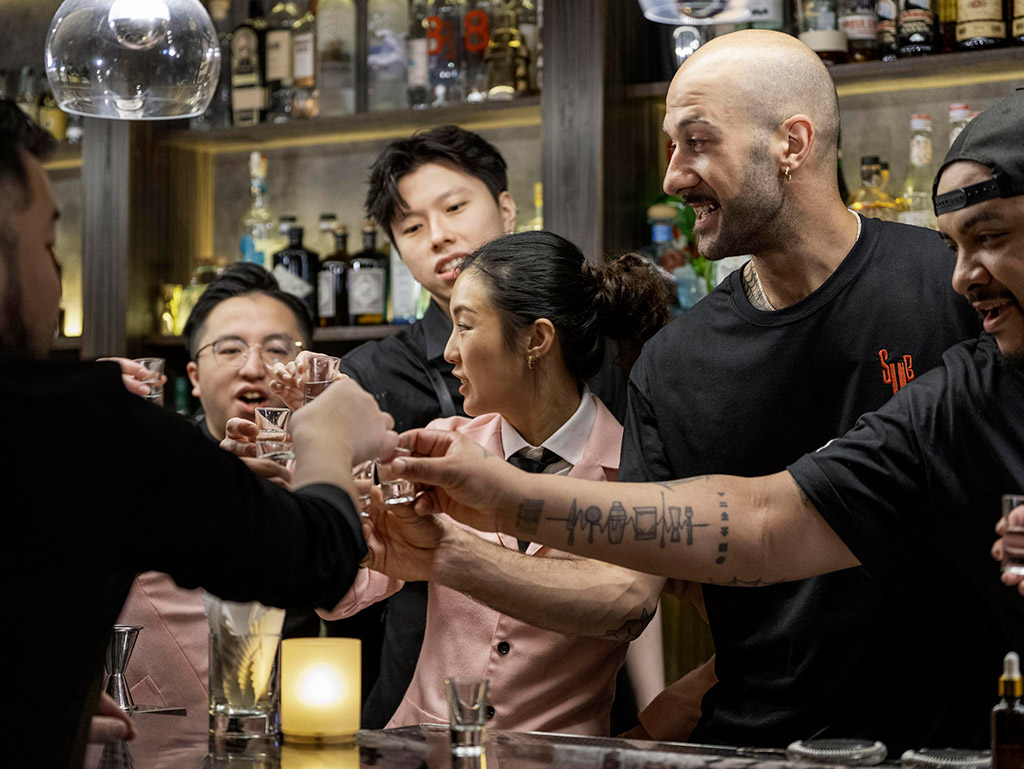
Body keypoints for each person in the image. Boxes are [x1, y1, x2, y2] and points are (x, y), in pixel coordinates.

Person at [387, 86, 1024, 748]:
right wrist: (495, 504)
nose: (964, 276)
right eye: (957, 246)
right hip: (758, 743)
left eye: (990, 237)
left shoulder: (955, 322)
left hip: (958, 739)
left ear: (793, 143)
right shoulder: (950, 390)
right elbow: (758, 523)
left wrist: (497, 508)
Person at [617, 29, 991, 751]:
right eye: (671, 147)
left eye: (697, 142)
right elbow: (651, 582)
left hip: (948, 748)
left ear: (792, 143)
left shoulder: (954, 289)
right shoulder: (671, 364)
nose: (673, 176)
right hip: (754, 747)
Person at [0, 99, 397, 768]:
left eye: (276, 348)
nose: (59, 274)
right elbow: (314, 558)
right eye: (46, 244)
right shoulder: (90, 426)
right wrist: (328, 432)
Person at [264, 125, 637, 728]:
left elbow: (633, 604)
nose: (437, 235)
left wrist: (656, 716)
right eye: (411, 227)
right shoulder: (432, 434)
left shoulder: (630, 451)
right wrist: (304, 475)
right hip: (417, 729)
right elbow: (341, 585)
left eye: (455, 206)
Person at [317, 231, 668, 733]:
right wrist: (313, 485)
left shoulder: (634, 474)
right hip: (423, 749)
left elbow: (629, 606)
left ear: (537, 339)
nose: (448, 351)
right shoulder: (442, 446)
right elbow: (343, 594)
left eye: (464, 326)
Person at [115, 264, 320, 717]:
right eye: (230, 349)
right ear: (194, 375)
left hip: (309, 715)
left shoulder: (336, 476)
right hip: (165, 720)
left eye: (277, 349)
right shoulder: (148, 469)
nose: (254, 368)